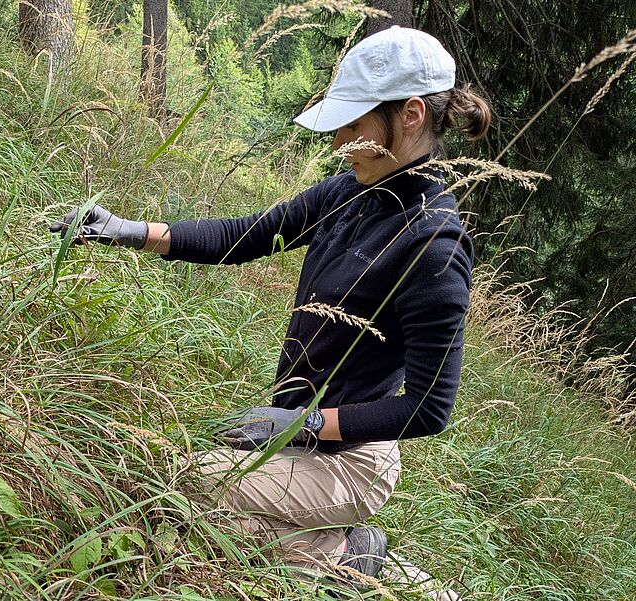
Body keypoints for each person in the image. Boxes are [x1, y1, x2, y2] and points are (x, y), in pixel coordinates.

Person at [51, 26, 490, 587]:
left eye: (352, 126)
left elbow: (429, 408)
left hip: (352, 459)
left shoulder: (434, 247)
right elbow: (246, 235)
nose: (338, 142)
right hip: (295, 434)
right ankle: (349, 554)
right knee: (191, 493)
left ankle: (353, 560)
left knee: (185, 486)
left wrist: (304, 424)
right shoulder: (349, 193)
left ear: (410, 115)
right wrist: (129, 231)